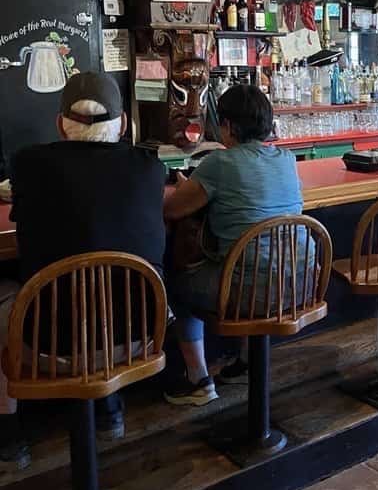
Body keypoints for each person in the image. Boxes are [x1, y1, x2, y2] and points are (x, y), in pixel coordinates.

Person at [0, 72, 166, 469]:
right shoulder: (149, 168)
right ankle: (107, 405)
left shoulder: (28, 165)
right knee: (109, 281)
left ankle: (7, 434)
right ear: (123, 124)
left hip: (48, 346)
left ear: (60, 124)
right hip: (140, 337)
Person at [163, 84, 303, 406]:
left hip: (254, 291)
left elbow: (172, 210)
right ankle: (244, 360)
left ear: (226, 126)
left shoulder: (219, 164)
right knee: (248, 265)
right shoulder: (287, 159)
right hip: (302, 284)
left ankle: (198, 379)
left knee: (179, 284)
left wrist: (188, 186)